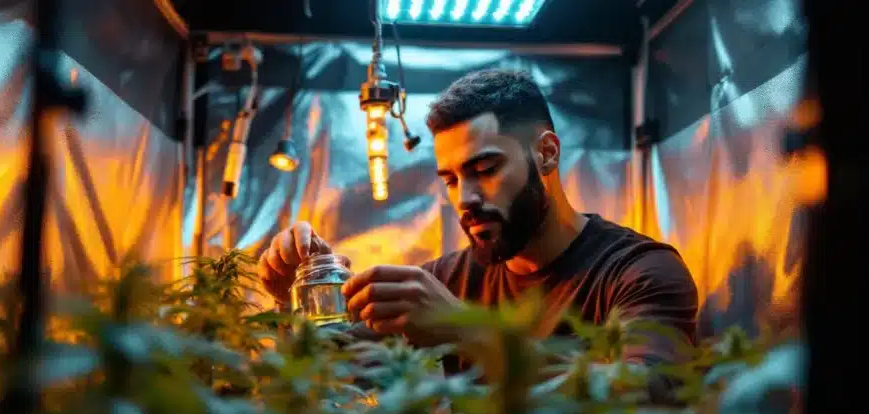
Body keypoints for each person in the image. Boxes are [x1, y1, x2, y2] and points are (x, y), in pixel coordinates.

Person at [258, 68, 699, 372]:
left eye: (485, 170)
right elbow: (333, 371)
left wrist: (467, 331)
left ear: (546, 153)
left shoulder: (641, 273)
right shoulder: (446, 281)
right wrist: (293, 301)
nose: (465, 198)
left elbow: (640, 409)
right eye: (450, 179)